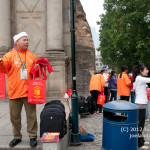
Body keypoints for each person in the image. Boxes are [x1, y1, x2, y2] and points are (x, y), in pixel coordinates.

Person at [0, 32, 38, 147]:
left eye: (27, 40)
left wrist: (37, 68)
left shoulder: (32, 56)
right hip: (14, 91)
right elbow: (4, 68)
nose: (27, 42)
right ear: (17, 42)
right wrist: (0, 62)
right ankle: (17, 136)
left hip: (29, 92)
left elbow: (36, 74)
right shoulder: (9, 56)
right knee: (14, 117)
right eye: (24, 40)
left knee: (31, 116)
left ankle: (32, 136)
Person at [132, 63, 150, 149]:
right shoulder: (140, 78)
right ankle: (139, 143)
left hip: (140, 104)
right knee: (140, 125)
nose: (147, 71)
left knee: (140, 125)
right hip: (140, 104)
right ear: (141, 71)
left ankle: (140, 140)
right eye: (146, 69)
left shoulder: (138, 78)